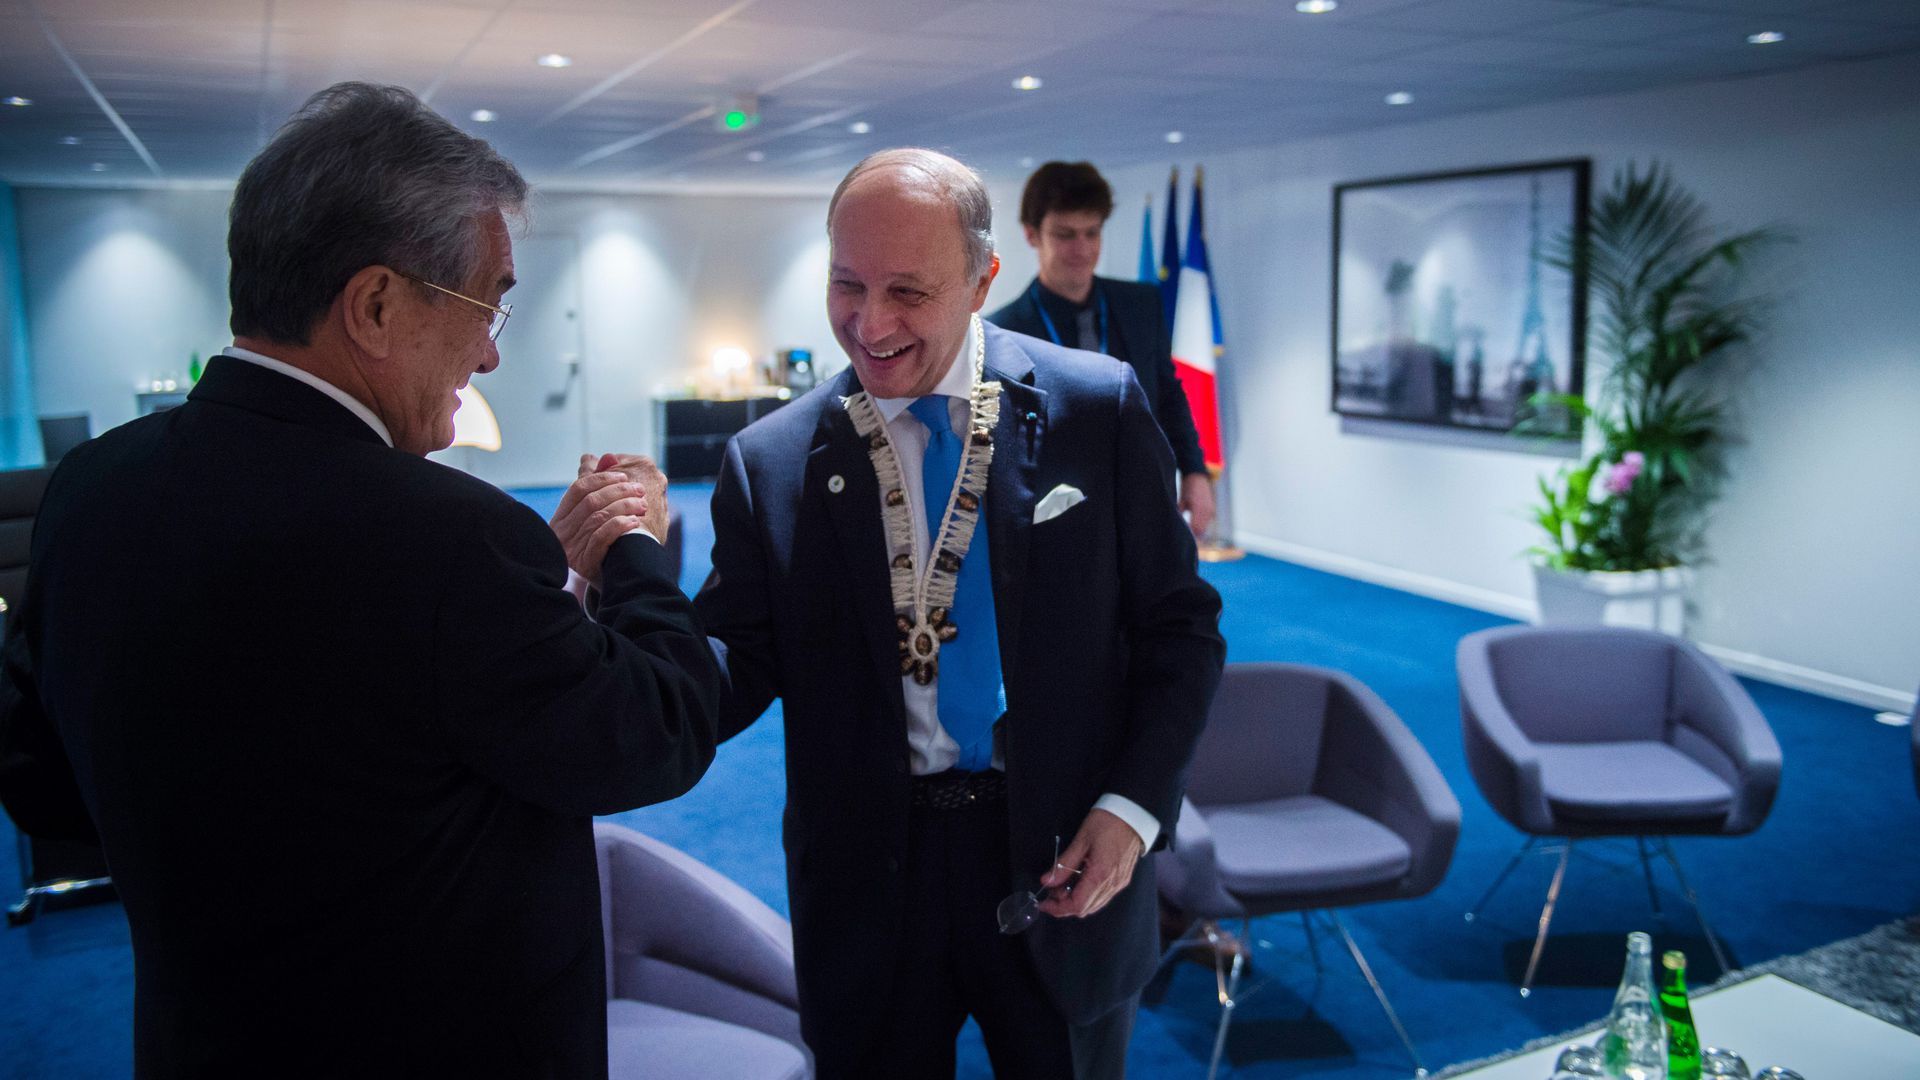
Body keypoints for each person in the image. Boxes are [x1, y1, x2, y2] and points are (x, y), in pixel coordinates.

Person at [0, 83, 722, 1079]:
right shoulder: (449, 539)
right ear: (376, 304)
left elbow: (48, 789)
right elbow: (660, 734)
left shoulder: (90, 488)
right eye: (486, 302)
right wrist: (634, 544)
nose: (492, 349)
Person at [695, 148, 1225, 1079]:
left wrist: (1134, 809)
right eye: (847, 284)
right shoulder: (770, 462)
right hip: (869, 874)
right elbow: (729, 668)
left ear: (983, 279)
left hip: (1063, 852)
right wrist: (611, 605)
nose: (871, 323)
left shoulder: (1093, 410)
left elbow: (1180, 628)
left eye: (909, 290)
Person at [987, 161, 1217, 539]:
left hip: (1147, 497)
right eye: (1065, 235)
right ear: (1032, 235)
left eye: (1091, 233)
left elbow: (1169, 394)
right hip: (1055, 515)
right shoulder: (1004, 331)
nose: (1081, 249)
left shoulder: (1142, 305)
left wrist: (1194, 471)